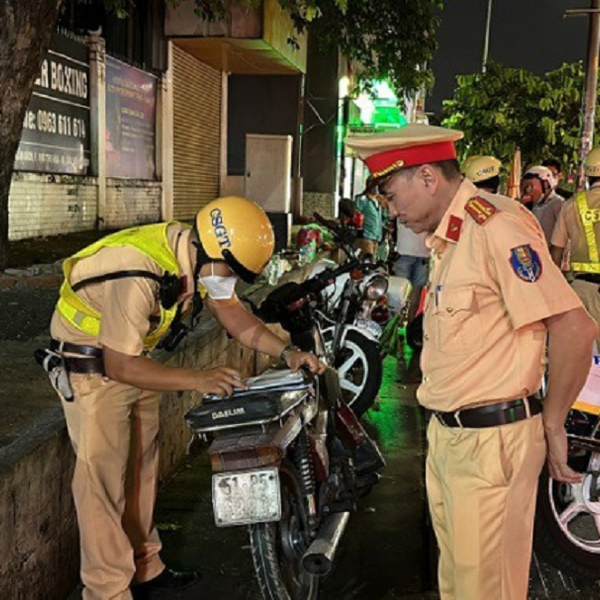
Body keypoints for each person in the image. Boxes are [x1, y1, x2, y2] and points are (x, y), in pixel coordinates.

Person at [345, 124, 597, 600]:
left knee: (486, 590)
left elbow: (574, 327)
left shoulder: (494, 226)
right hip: (451, 439)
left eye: (390, 192)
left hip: (490, 444)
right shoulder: (451, 238)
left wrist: (554, 424)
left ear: (425, 177)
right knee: (459, 586)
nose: (389, 208)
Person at [45, 196, 325, 600]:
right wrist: (198, 379)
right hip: (93, 369)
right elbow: (119, 366)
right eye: (228, 270)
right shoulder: (137, 270)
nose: (227, 280)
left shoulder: (194, 254)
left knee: (142, 468)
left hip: (134, 357)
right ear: (210, 252)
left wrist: (286, 352)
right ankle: (107, 590)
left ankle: (145, 567)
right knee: (100, 483)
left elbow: (232, 314)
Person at [551, 146, 600, 351]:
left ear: (587, 175)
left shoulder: (572, 205)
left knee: (585, 358)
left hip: (582, 289)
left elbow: (556, 252)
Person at [394, 221, 429, 383]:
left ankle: (403, 329)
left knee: (407, 295)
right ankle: (403, 328)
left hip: (417, 253)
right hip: (416, 252)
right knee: (408, 294)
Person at [520, 165, 563, 245]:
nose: (528, 191)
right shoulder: (534, 206)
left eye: (530, 186)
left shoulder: (557, 204)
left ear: (545, 184)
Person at [353, 177, 387, 258]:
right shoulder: (363, 199)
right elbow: (356, 214)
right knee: (367, 261)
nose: (376, 188)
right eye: (374, 185)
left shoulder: (377, 201)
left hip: (376, 237)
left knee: (373, 262)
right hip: (366, 236)